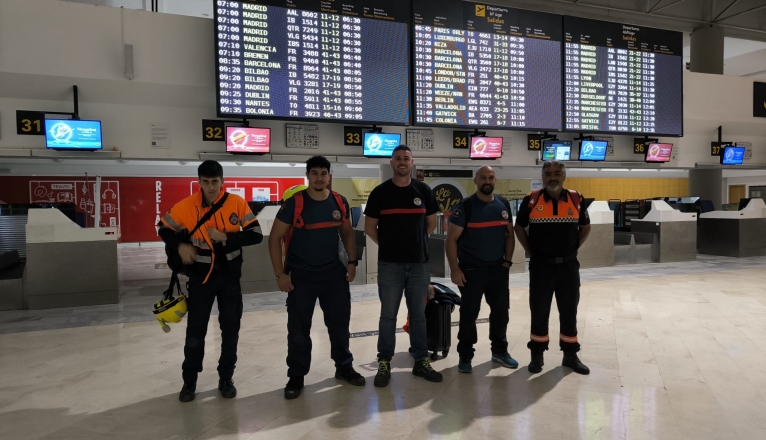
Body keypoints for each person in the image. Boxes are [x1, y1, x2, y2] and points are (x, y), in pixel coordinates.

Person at [158, 160, 263, 402]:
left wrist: (227, 237)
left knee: (230, 328)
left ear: (222, 182)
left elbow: (255, 235)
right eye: (206, 182)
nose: (211, 187)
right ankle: (189, 381)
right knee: (196, 330)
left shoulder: (236, 203)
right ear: (199, 183)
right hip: (200, 276)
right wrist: (181, 245)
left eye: (215, 182)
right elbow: (163, 229)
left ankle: (226, 378)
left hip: (229, 276)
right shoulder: (186, 206)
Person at [268, 156, 365, 399]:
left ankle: (344, 367)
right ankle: (296, 375)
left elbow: (347, 233)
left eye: (324, 173)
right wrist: (280, 274)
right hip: (301, 275)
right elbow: (274, 238)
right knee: (299, 329)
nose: (320, 177)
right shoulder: (295, 203)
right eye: (315, 173)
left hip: (333, 273)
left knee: (340, 324)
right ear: (308, 176)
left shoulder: (339, 201)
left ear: (329, 176)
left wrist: (352, 263)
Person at [364, 145, 443, 387]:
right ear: (391, 162)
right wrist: (389, 246)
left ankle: (420, 360)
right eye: (398, 158)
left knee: (418, 315)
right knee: (387, 316)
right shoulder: (380, 193)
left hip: (419, 264)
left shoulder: (423, 190)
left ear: (412, 162)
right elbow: (369, 228)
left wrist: (416, 243)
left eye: (406, 159)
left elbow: (430, 223)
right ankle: (384, 361)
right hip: (390, 265)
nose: (402, 162)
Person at [513, 160, 591, 375]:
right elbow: (519, 227)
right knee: (539, 311)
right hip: (541, 267)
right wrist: (529, 250)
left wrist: (574, 248)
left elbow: (586, 227)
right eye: (548, 174)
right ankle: (537, 355)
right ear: (543, 177)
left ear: (564, 176)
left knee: (569, 311)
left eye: (557, 173)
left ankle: (570, 355)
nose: (553, 177)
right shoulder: (531, 200)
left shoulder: (576, 199)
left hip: (568, 267)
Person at [445, 165, 518, 374]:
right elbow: (451, 240)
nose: (488, 181)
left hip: (498, 270)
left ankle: (500, 352)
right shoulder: (465, 207)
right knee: (469, 314)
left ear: (495, 181)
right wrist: (454, 269)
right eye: (483, 177)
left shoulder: (503, 204)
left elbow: (509, 235)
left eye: (491, 178)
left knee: (501, 313)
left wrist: (508, 262)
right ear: (476, 180)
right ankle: (465, 355)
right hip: (471, 270)